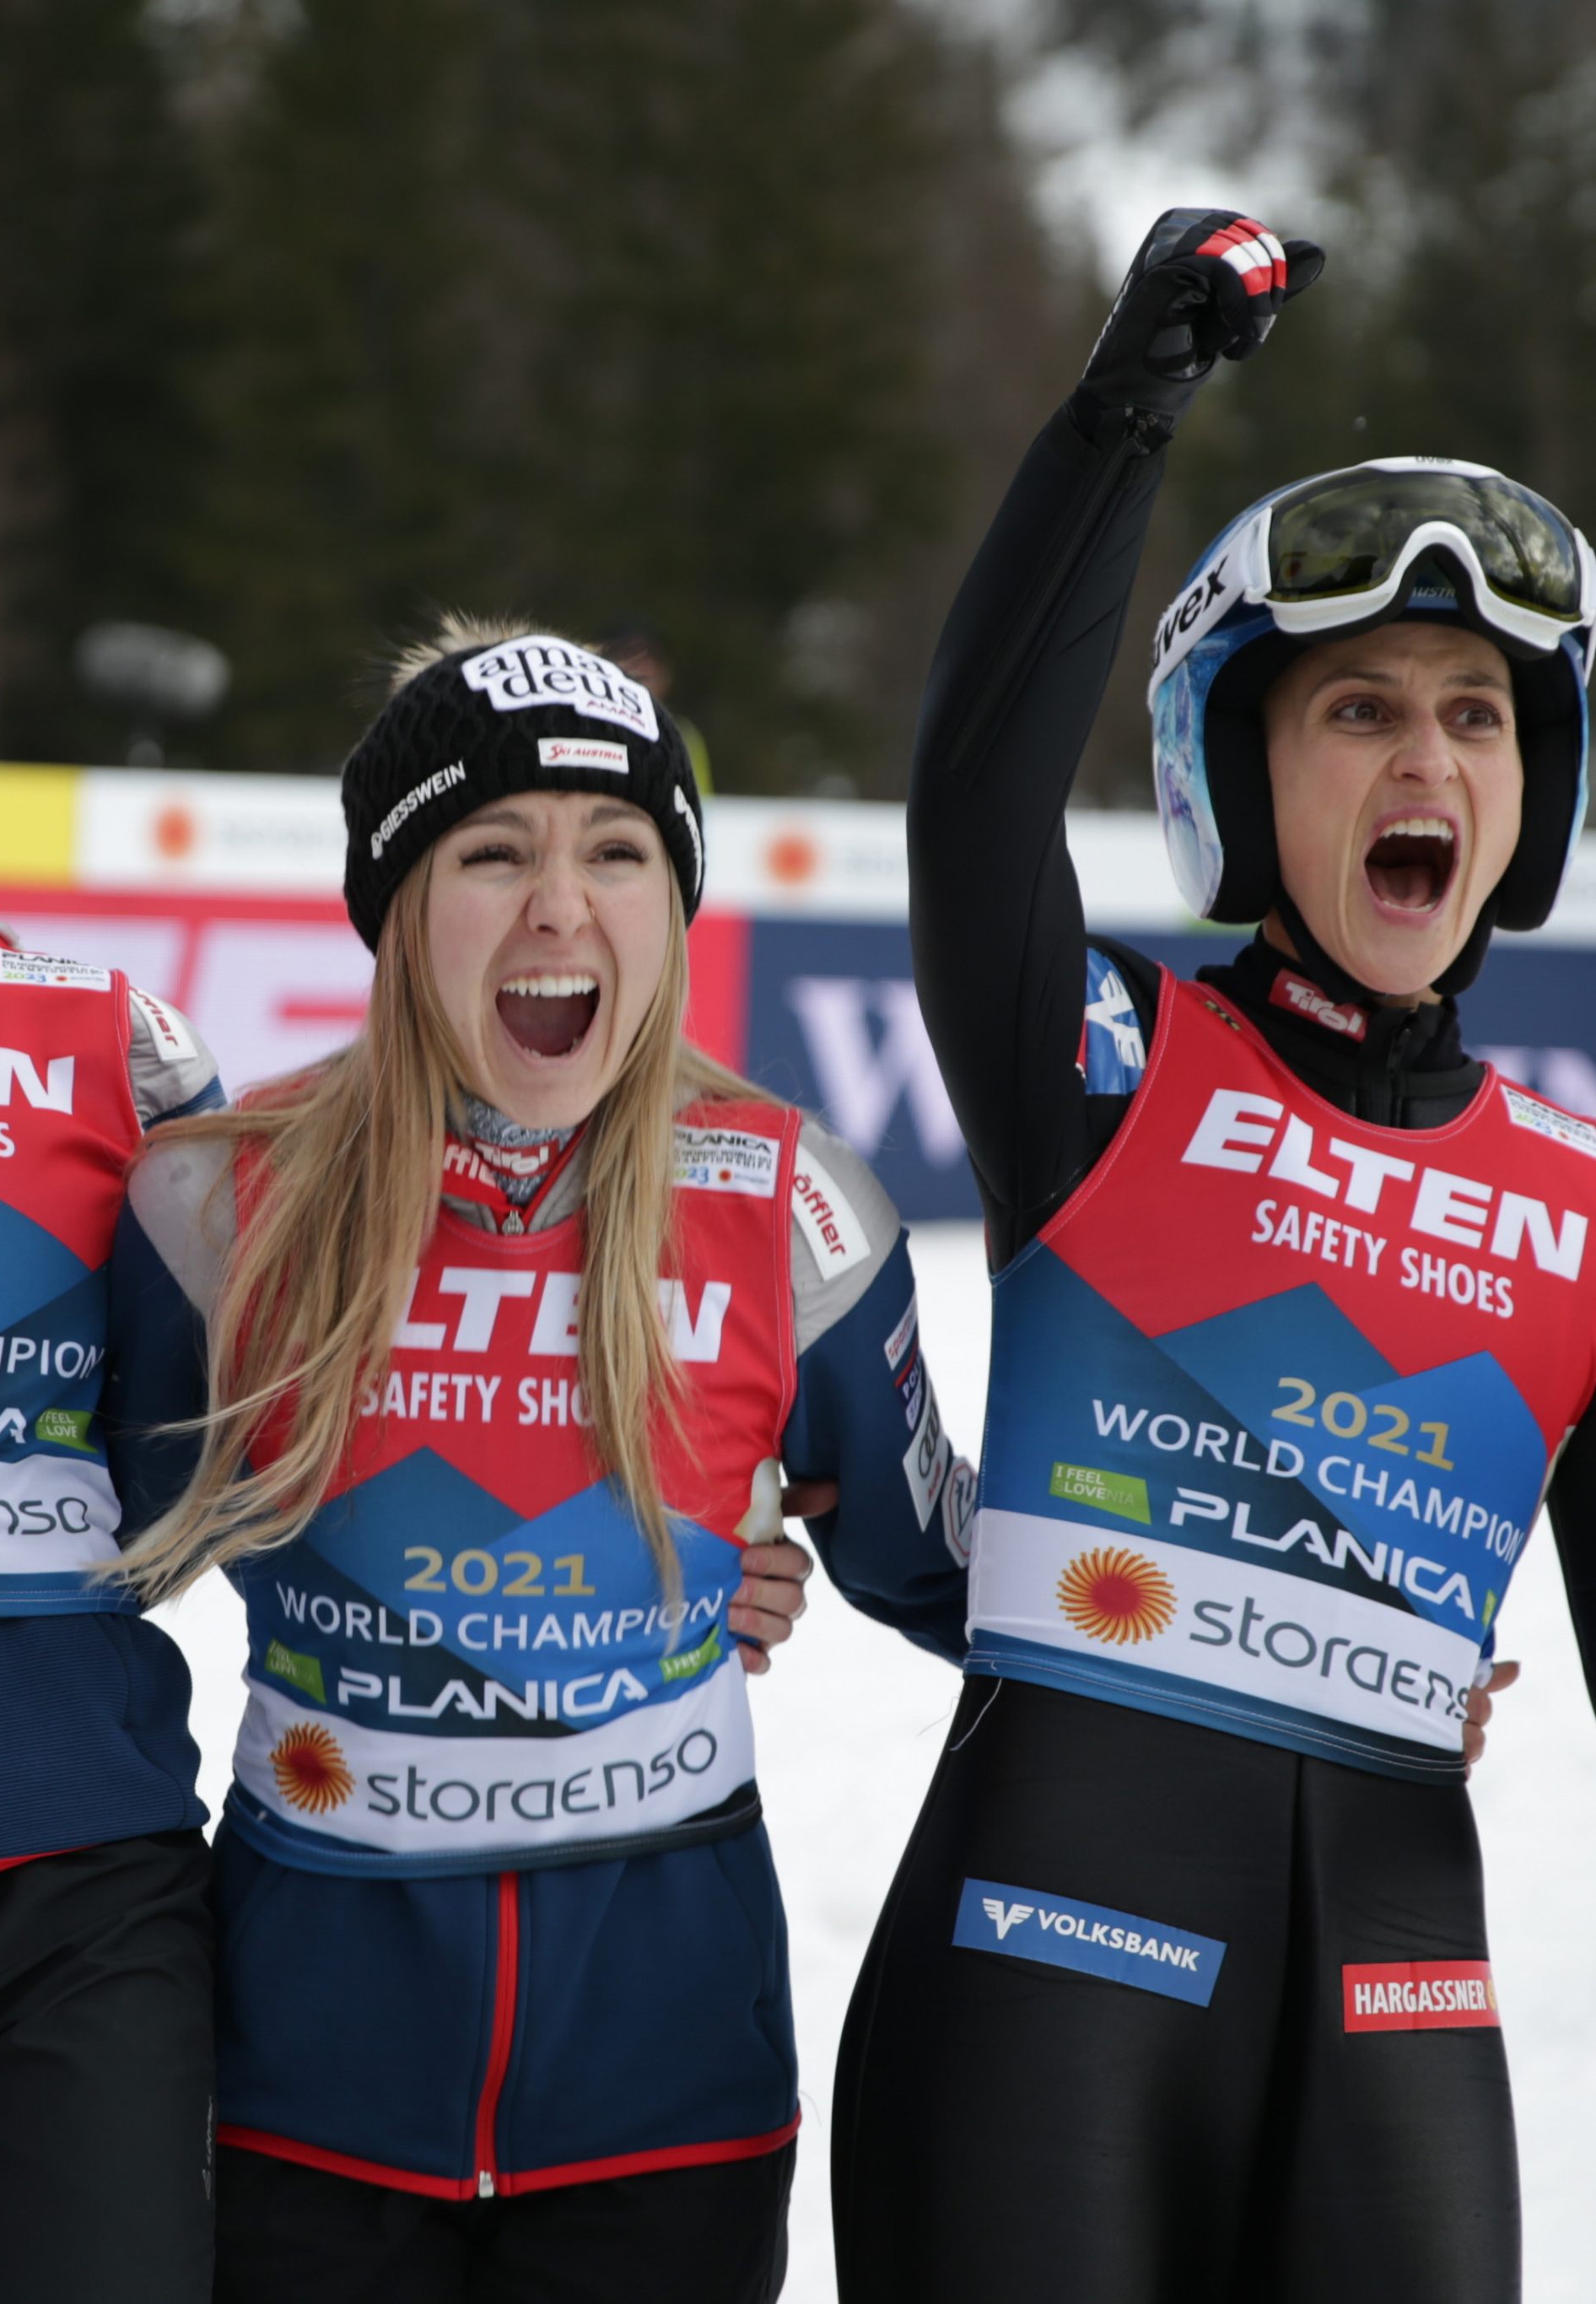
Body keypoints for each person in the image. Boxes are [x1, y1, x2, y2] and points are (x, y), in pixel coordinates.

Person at [834, 210, 1596, 2301]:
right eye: (1358, 710)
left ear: (1530, 801)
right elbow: (973, 799)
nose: (1428, 762)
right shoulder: (1104, 1066)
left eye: (1477, 717)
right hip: (1049, 1970)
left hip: (1400, 2009)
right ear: (1240, 777)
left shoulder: (1582, 1209)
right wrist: (1119, 414)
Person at [112, 619, 975, 2303]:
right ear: (396, 907)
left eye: (618, 851)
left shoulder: (790, 1213)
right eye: (491, 850)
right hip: (305, 2086)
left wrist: (1314, 1663)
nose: (558, 905)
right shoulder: (218, 1202)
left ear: (674, 901)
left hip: (665, 2092)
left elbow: (948, 1571)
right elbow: (76, 1557)